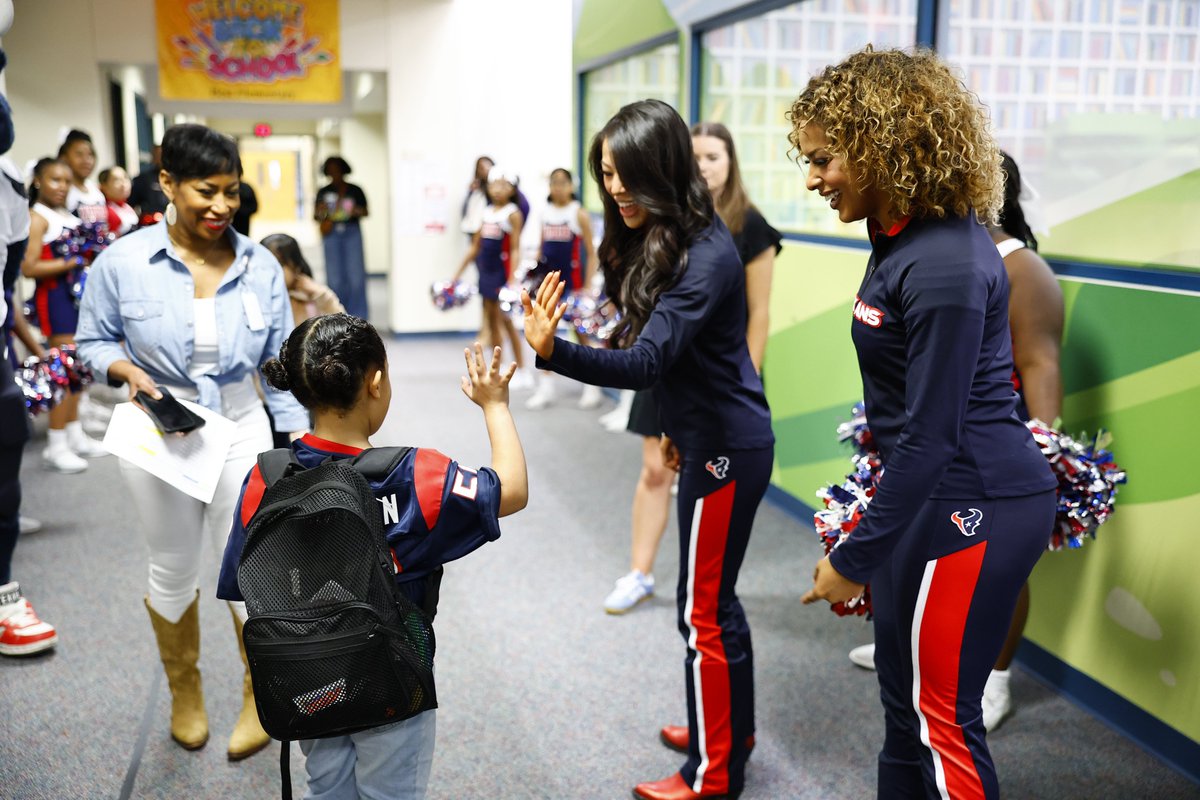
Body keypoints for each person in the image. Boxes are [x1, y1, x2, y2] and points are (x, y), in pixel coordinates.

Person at [792, 47, 1058, 800]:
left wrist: (853, 556)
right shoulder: (902, 235)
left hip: (976, 497)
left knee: (942, 719)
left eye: (824, 160)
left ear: (882, 146)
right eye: (807, 159)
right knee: (901, 704)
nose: (812, 179)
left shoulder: (941, 260)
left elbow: (934, 435)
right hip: (935, 494)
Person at [523, 99, 774, 800]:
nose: (615, 190)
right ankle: (725, 730)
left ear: (662, 169)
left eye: (628, 174)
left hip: (728, 446)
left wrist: (552, 352)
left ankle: (713, 774)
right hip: (708, 436)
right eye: (606, 174)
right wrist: (671, 426)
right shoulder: (671, 233)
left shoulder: (706, 254)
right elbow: (683, 362)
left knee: (702, 613)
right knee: (716, 606)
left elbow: (644, 362)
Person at [216, 315, 528, 800]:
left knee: (327, 787)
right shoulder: (417, 474)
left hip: (309, 678)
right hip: (395, 683)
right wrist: (495, 406)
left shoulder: (266, 479)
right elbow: (511, 490)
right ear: (375, 382)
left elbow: (243, 583)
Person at [77, 123, 308, 760]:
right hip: (161, 429)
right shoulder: (121, 262)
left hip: (242, 422)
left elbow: (279, 363)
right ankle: (186, 692)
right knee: (173, 567)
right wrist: (122, 368)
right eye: (206, 190)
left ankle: (259, 693)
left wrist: (297, 443)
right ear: (169, 183)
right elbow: (92, 342)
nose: (221, 207)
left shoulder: (259, 264)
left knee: (252, 571)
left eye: (232, 192)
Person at [844, 152, 1064, 734]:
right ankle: (911, 647)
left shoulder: (1014, 266)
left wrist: (1046, 443)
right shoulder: (918, 249)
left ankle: (995, 677)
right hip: (929, 443)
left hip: (986, 456)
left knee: (992, 584)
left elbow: (1040, 362)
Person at [603, 123, 782, 616]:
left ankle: (707, 585)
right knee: (654, 470)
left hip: (721, 378)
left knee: (708, 501)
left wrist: (740, 380)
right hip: (663, 363)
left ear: (731, 164)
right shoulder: (667, 222)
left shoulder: (749, 226)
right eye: (696, 156)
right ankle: (639, 571)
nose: (703, 166)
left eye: (714, 157)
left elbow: (759, 312)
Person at [0, 39, 57, 656]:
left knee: (6, 447)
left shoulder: (8, 183)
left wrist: (23, 335)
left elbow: (10, 271)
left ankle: (2, 590)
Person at [22, 157, 107, 472]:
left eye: (65, 181)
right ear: (38, 182)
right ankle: (56, 444)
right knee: (61, 371)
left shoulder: (64, 215)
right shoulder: (37, 217)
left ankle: (75, 433)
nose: (61, 187)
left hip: (77, 298)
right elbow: (29, 268)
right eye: (54, 180)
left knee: (78, 370)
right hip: (55, 300)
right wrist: (71, 263)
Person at [524, 167, 604, 411]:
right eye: (553, 182)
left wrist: (588, 286)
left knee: (581, 335)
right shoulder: (544, 213)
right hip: (548, 286)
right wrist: (534, 277)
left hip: (573, 286)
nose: (557, 187)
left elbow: (591, 252)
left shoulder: (577, 213)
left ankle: (592, 387)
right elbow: (541, 248)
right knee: (546, 336)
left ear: (571, 186)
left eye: (562, 182)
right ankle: (546, 388)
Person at [453, 166, 532, 390]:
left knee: (506, 322)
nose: (498, 189)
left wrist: (513, 279)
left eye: (504, 185)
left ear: (512, 189)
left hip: (502, 274)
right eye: (494, 184)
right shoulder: (487, 211)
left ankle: (523, 370)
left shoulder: (512, 213)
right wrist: (457, 274)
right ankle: (500, 367)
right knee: (490, 321)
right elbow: (475, 246)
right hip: (485, 272)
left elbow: (515, 248)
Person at [315, 155, 369, 320]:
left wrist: (355, 211)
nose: (334, 173)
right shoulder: (323, 192)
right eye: (330, 170)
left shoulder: (355, 190)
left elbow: (366, 211)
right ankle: (338, 316)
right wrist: (323, 210)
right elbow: (317, 216)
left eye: (337, 169)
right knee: (334, 278)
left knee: (356, 277)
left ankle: (358, 318)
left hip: (351, 232)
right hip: (331, 234)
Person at [261, 232, 344, 326]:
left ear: (296, 266)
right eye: (264, 267)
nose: (272, 272)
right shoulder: (258, 297)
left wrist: (321, 295)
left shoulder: (311, 297)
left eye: (280, 264)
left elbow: (341, 326)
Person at [57, 129, 107, 228]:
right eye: (79, 154)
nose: (86, 160)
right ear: (64, 158)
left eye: (90, 155)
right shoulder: (61, 191)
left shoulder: (96, 191)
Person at [129, 144, 169, 224]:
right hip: (151, 223)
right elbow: (131, 204)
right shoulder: (143, 179)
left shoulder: (179, 178)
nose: (161, 158)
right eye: (157, 155)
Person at [99, 166, 138, 236]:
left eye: (126, 178)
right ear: (104, 186)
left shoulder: (126, 206)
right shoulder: (105, 211)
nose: (124, 184)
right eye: (117, 180)